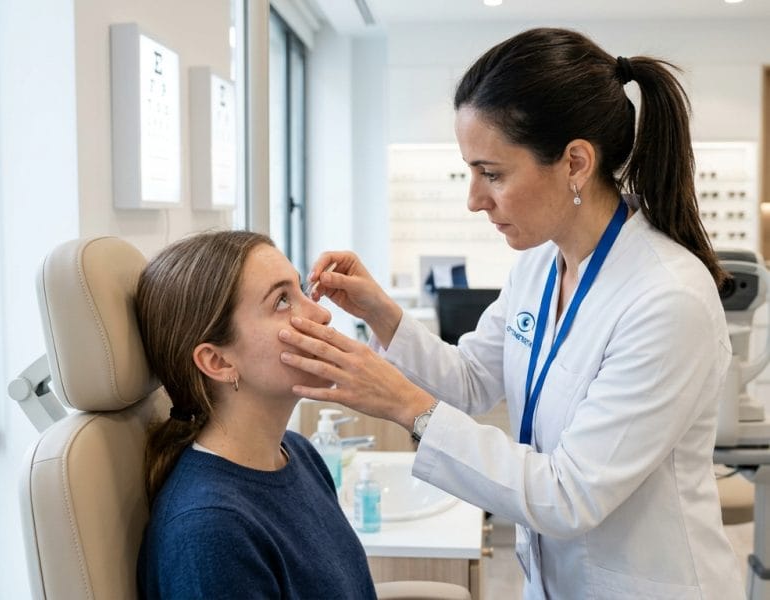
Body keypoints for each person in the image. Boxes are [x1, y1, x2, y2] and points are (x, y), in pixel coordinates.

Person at [278, 27, 744, 599]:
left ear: (575, 162)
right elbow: (472, 381)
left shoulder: (667, 300)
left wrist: (402, 404)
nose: (474, 199)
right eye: (470, 172)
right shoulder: (540, 267)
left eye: (492, 174)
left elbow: (570, 495)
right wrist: (381, 314)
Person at [134, 230, 376, 599]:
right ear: (218, 361)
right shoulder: (210, 531)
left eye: (299, 290)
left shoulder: (299, 454)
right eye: (282, 301)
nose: (321, 314)